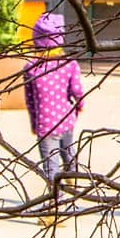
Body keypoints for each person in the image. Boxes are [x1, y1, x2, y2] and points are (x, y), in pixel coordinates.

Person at [23, 11, 85, 186]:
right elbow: (77, 91)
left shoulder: (31, 68)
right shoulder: (69, 63)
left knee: (51, 165)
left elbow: (30, 101)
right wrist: (80, 105)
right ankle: (73, 184)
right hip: (66, 118)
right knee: (68, 152)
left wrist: (34, 123)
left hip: (45, 124)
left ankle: (54, 199)